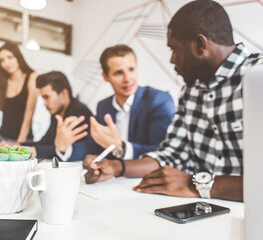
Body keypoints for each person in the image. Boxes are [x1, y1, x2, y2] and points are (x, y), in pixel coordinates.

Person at [83, 0, 263, 202]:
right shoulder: (191, 91)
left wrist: (195, 184)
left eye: (174, 49)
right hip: (204, 211)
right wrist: (117, 167)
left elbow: (190, 181)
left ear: (200, 45)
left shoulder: (257, 77)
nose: (172, 60)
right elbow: (171, 155)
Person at [56, 44, 175, 161]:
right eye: (119, 73)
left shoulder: (158, 101)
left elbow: (162, 151)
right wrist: (64, 148)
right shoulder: (103, 106)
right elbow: (94, 146)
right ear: (105, 77)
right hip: (114, 178)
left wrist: (121, 148)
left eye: (131, 69)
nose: (127, 79)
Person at [20, 71, 93, 159]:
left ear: (64, 94)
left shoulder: (80, 113)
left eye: (47, 97)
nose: (45, 103)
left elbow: (66, 151)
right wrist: (19, 146)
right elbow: (46, 142)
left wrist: (35, 151)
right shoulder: (57, 113)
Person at [0, 42, 38, 143]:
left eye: (10, 57)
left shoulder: (32, 77)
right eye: (2, 60)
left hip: (24, 139)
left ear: (18, 57)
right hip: (3, 138)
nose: (6, 63)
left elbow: (29, 114)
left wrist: (19, 143)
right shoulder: (3, 81)